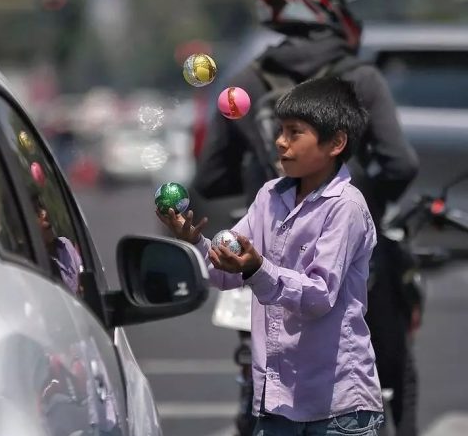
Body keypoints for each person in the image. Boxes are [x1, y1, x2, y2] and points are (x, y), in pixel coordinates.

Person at [191, 0, 420, 434]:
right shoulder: (360, 79)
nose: (283, 144)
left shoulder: (244, 83)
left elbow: (209, 177)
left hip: (262, 255)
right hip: (309, 268)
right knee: (393, 367)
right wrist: (365, 202)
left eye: (294, 133)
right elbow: (401, 163)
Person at [162, 77, 383, 435]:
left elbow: (318, 295)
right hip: (277, 403)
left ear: (336, 143)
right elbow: (227, 273)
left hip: (337, 408)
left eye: (295, 132)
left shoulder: (345, 207)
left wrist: (258, 268)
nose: (280, 141)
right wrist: (199, 244)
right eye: (280, 130)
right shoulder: (270, 196)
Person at [33, 195, 83, 296]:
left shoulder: (66, 244)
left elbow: (82, 273)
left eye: (44, 210)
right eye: (38, 214)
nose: (45, 216)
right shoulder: (35, 260)